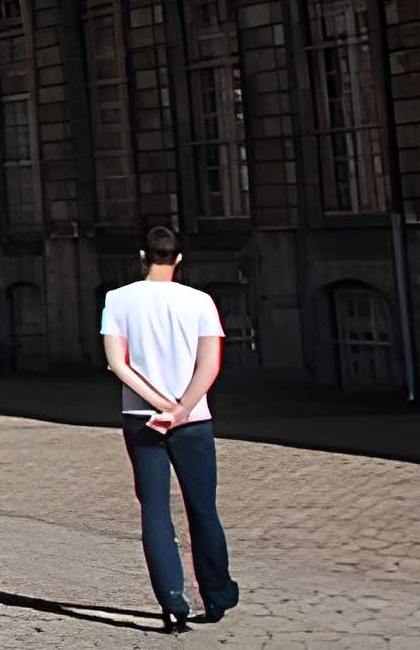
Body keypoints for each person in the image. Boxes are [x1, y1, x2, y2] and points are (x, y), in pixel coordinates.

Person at [103, 227, 238, 632]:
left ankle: (172, 602)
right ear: (179, 259)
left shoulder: (118, 299)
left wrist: (159, 405)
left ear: (144, 256)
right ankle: (216, 594)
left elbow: (118, 364)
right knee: (202, 508)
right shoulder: (200, 301)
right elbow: (210, 365)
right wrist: (181, 408)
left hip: (140, 418)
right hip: (194, 420)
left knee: (156, 510)